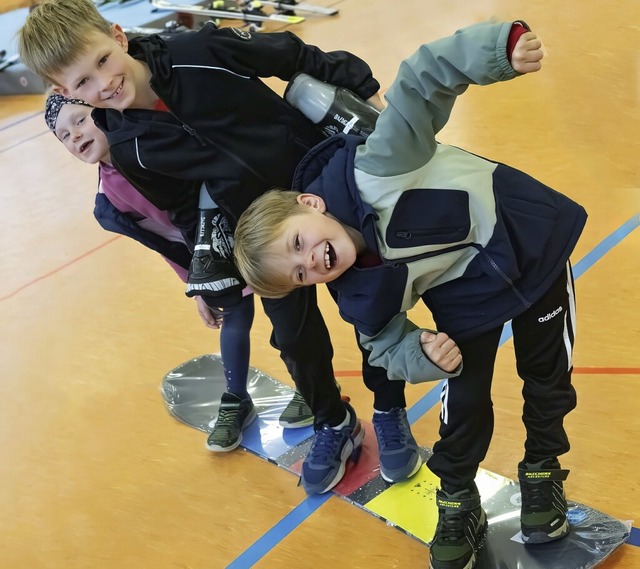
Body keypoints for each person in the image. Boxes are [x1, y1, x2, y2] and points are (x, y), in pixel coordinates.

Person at [18, 0, 422, 495]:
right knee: (295, 340)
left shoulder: (197, 49)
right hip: (260, 235)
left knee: (371, 311)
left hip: (325, 191)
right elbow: (187, 209)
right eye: (81, 84)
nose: (102, 85)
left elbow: (290, 53)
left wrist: (361, 85)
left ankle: (389, 410)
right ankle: (333, 422)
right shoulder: (130, 148)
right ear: (64, 91)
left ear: (119, 38)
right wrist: (202, 272)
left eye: (103, 61)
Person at [232, 21, 587, 569]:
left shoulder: (380, 165)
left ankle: (542, 471)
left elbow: (421, 80)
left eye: (298, 243)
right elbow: (385, 345)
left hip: (531, 245)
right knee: (463, 404)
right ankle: (457, 497)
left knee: (547, 377)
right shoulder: (358, 294)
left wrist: (499, 49)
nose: (311, 262)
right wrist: (421, 353)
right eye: (300, 274)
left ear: (312, 204)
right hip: (465, 296)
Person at [44, 92, 315, 453]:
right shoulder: (110, 199)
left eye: (79, 120)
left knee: (287, 313)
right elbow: (166, 242)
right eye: (63, 135)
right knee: (234, 314)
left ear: (105, 113)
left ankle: (311, 387)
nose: (75, 135)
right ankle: (237, 399)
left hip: (245, 225)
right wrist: (195, 284)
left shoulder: (152, 147)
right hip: (210, 255)